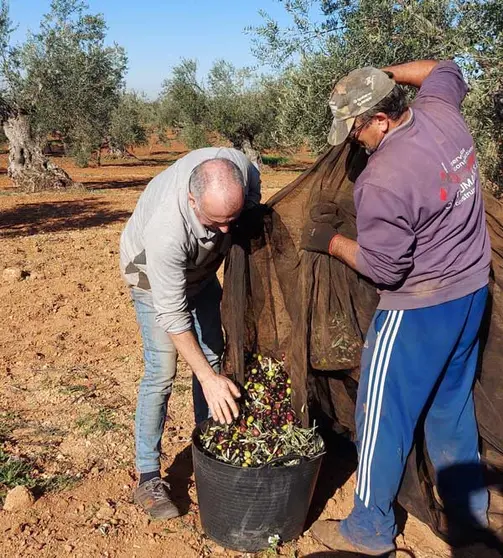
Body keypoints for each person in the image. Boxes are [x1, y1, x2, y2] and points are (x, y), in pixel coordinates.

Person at [301, 60, 491, 555]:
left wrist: (332, 242)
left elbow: (385, 268)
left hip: (418, 309)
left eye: (355, 128)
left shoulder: (382, 178)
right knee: (450, 405)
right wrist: (380, 73)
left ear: (380, 120)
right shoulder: (440, 111)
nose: (351, 140)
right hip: (471, 293)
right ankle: (470, 527)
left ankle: (368, 529)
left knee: (380, 413)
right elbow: (444, 68)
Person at [120, 147, 261, 519]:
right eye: (217, 222)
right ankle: (148, 474)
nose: (228, 229)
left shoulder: (243, 171)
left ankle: (209, 446)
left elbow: (242, 219)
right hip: (152, 278)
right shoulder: (167, 230)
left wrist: (211, 373)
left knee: (214, 356)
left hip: (200, 271)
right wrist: (207, 378)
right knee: (162, 372)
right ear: (192, 200)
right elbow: (172, 313)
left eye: (233, 218)